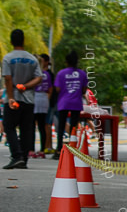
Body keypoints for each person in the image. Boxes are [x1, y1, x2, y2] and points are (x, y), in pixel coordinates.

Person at [2, 30, 43, 169]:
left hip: (13, 97)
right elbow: (39, 77)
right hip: (29, 99)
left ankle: (17, 156)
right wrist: (25, 86)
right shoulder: (32, 59)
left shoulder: (8, 58)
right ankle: (24, 159)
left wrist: (11, 98)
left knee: (9, 126)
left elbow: (7, 78)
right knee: (26, 129)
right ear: (23, 41)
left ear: (11, 41)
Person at [52, 50, 86, 157]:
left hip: (63, 102)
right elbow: (84, 90)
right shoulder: (82, 74)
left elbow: (57, 88)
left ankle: (58, 149)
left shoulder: (61, 73)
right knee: (73, 126)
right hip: (76, 102)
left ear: (66, 62)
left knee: (61, 126)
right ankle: (73, 148)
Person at [32, 53, 54, 157]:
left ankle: (30, 149)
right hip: (44, 99)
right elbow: (50, 89)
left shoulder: (34, 74)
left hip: (35, 98)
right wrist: (47, 100)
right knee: (42, 125)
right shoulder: (47, 74)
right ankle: (42, 150)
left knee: (31, 125)